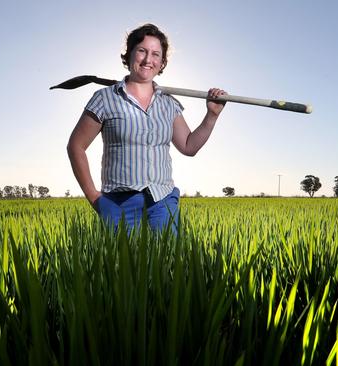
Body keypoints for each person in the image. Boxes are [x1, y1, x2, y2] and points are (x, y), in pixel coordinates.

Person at [67, 23, 226, 233]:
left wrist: (211, 115)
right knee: (121, 266)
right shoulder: (105, 99)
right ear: (130, 54)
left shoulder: (168, 103)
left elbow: (189, 146)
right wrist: (95, 197)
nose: (148, 59)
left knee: (167, 264)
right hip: (118, 205)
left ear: (162, 62)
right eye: (142, 51)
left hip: (162, 203)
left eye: (155, 54)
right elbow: (75, 146)